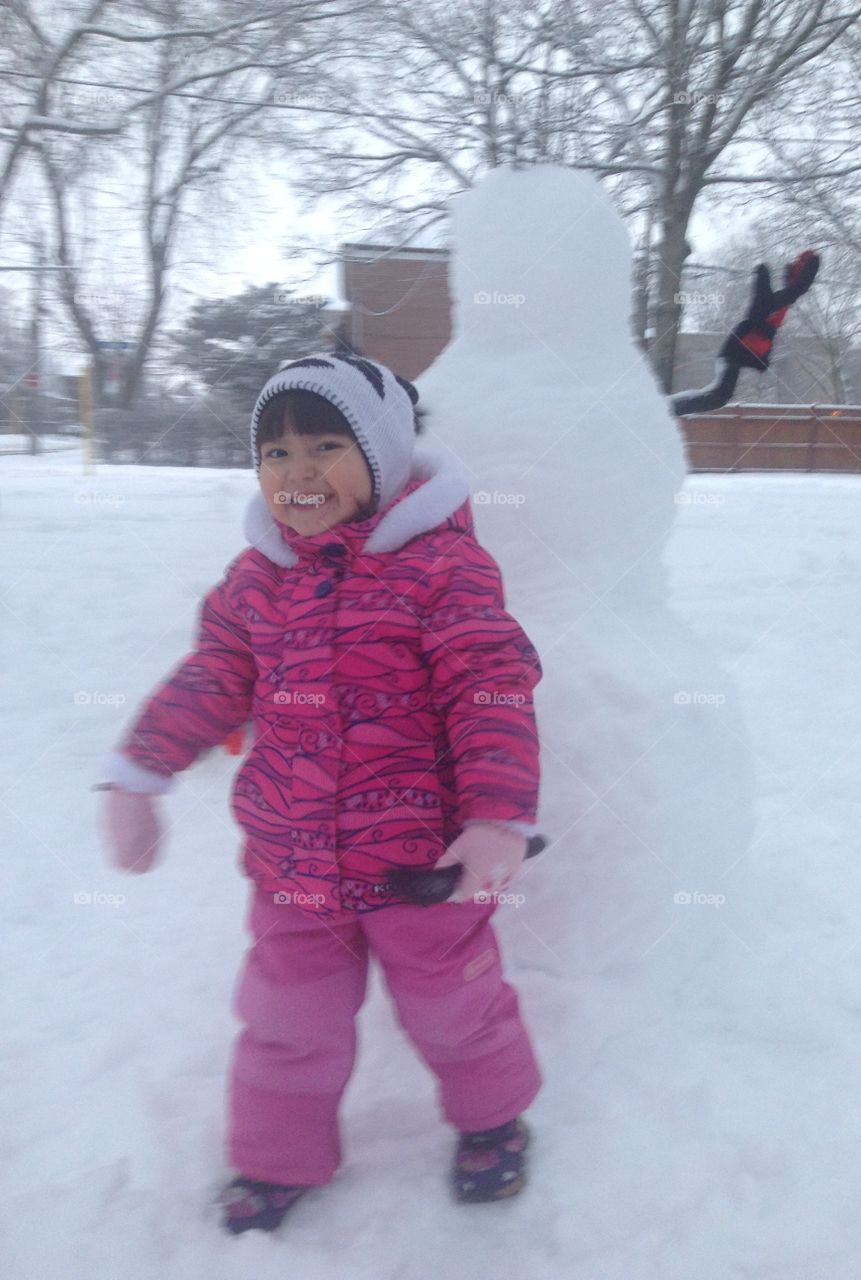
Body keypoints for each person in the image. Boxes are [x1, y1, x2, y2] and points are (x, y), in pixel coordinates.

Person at [96, 354, 545, 1233]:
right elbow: (211, 679)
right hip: (292, 861)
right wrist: (139, 770)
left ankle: (493, 1121)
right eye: (276, 454)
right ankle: (276, 1159)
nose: (297, 473)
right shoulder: (256, 581)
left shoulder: (441, 570)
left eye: (326, 447)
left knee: (456, 1008)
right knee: (284, 1021)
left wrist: (497, 817)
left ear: (378, 455)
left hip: (423, 866)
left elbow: (489, 687)